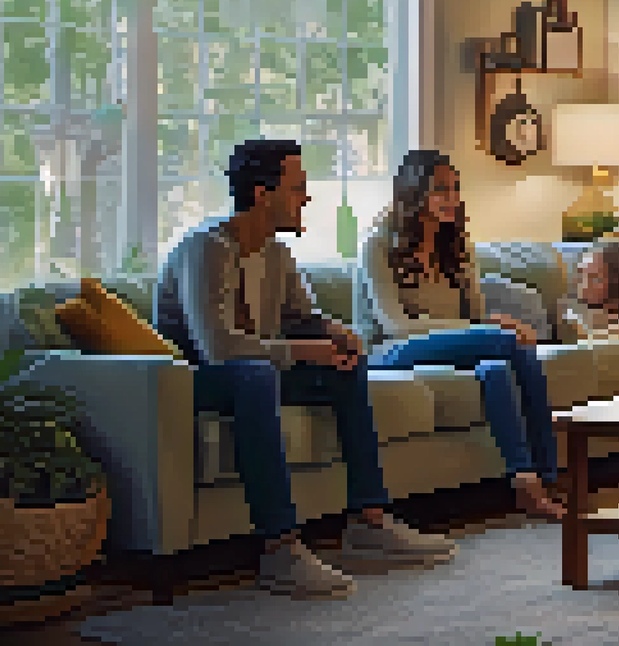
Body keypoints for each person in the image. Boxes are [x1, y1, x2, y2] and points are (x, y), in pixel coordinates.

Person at [156, 139, 453, 602]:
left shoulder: (276, 253)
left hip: (255, 372)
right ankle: (280, 548)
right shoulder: (207, 249)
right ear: (261, 193)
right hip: (195, 380)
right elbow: (218, 347)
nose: (306, 198)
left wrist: (338, 334)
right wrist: (302, 351)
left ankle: (368, 522)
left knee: (346, 367)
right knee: (255, 373)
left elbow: (302, 317)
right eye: (297, 188)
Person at [361, 150, 564, 520]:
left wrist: (491, 323)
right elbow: (395, 325)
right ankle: (548, 475)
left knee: (496, 370)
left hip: (453, 345)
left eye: (454, 188)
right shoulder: (378, 245)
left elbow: (473, 316)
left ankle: (529, 481)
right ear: (413, 193)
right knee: (508, 343)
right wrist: (487, 329)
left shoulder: (459, 246)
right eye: (440, 189)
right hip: (390, 351)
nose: (452, 199)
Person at [556, 240, 619, 341]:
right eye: (582, 276)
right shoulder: (571, 310)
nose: (585, 286)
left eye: (596, 279)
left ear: (617, 281)